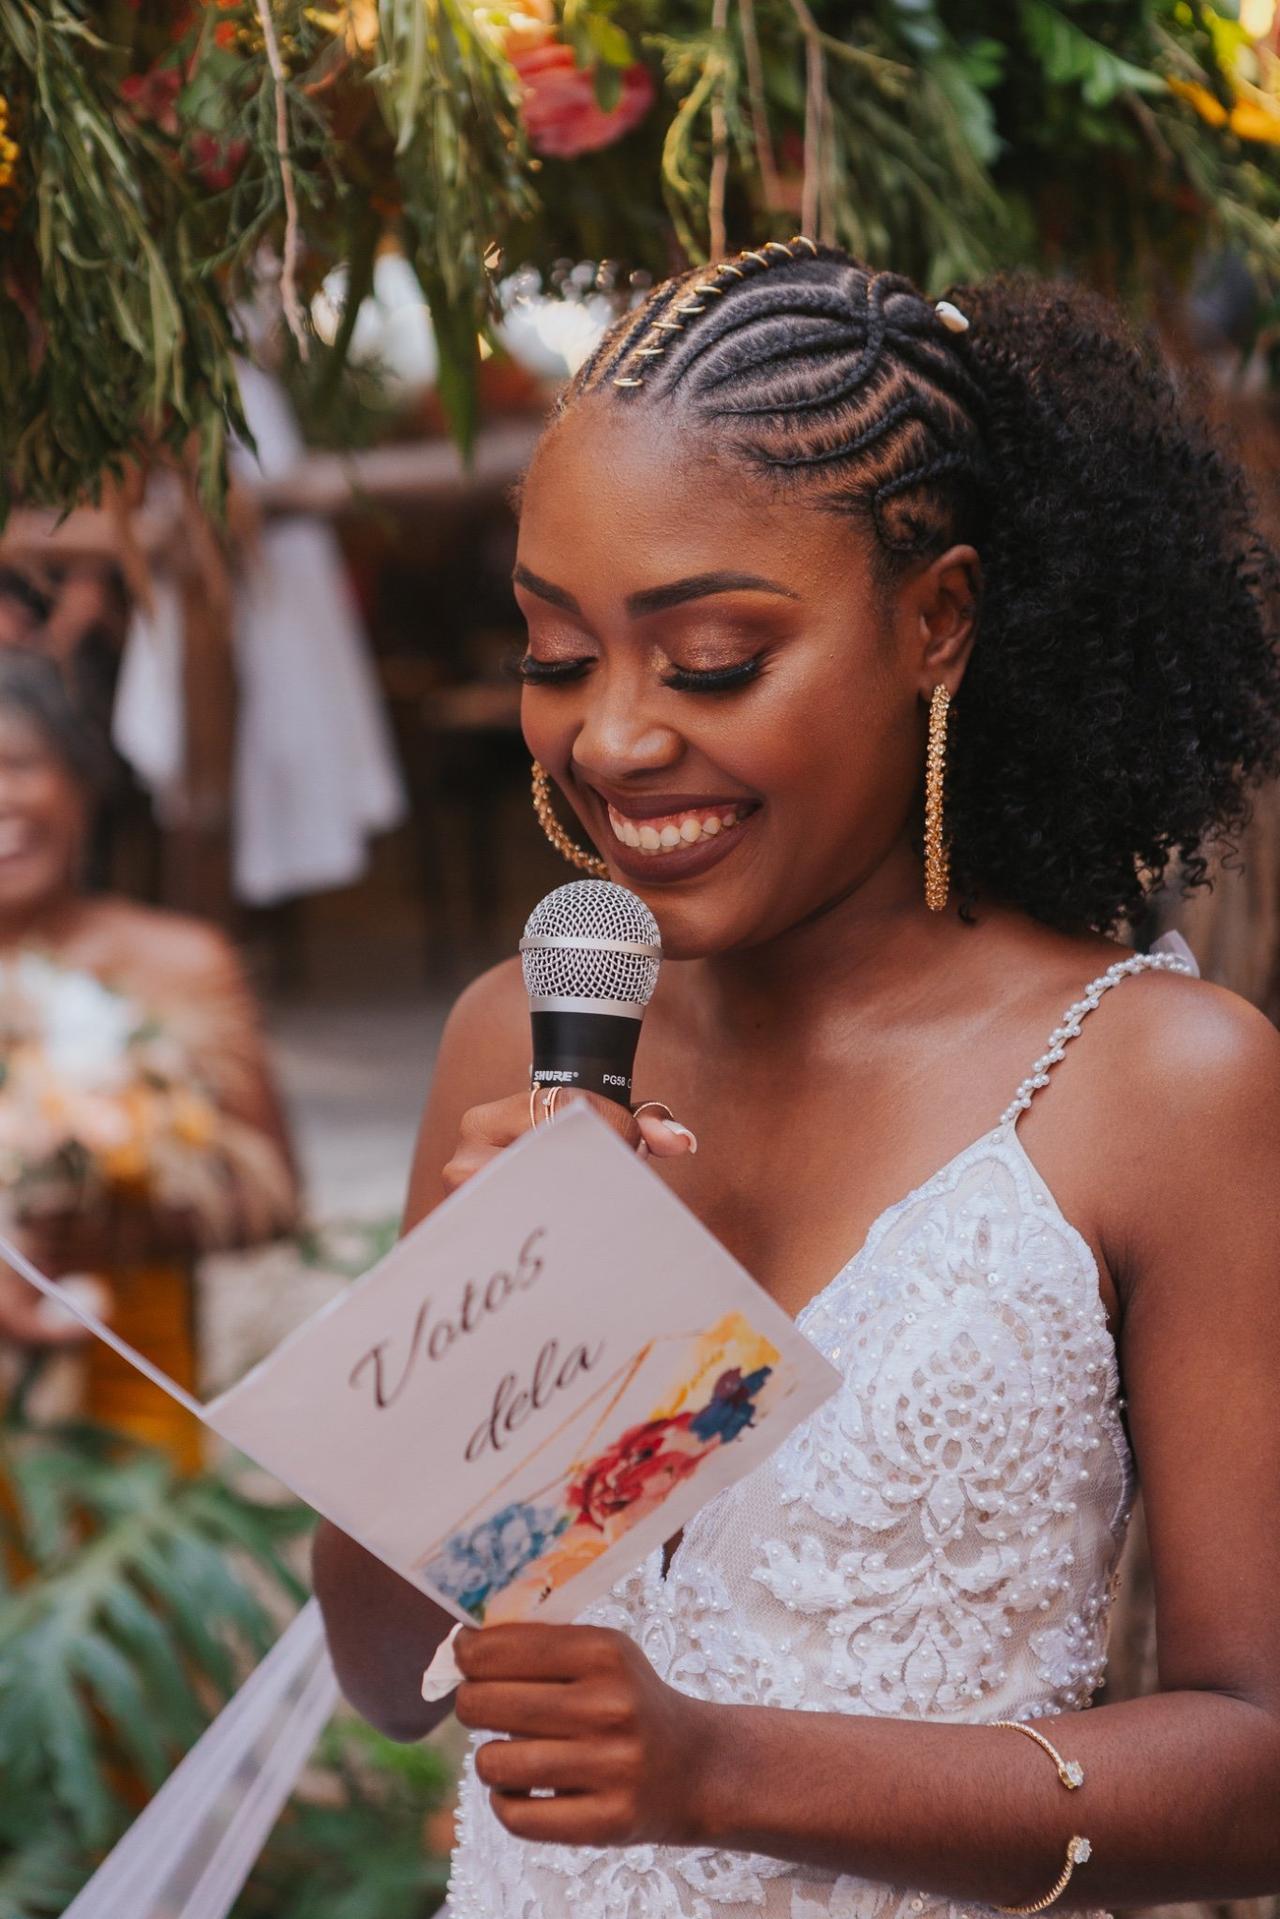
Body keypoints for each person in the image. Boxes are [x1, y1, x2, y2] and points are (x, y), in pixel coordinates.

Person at [313, 243, 1280, 1916]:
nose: (613, 739)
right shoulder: (517, 1035)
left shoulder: (1160, 1083)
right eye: (557, 654)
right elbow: (388, 1669)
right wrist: (510, 1323)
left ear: (936, 620)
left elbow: (1257, 1760)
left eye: (707, 658)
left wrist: (719, 1768)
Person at [0, 646, 298, 1468]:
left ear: (82, 784)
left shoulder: (182, 962)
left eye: (19, 765)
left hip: (137, 1408)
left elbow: (274, 1196)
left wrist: (119, 1217)